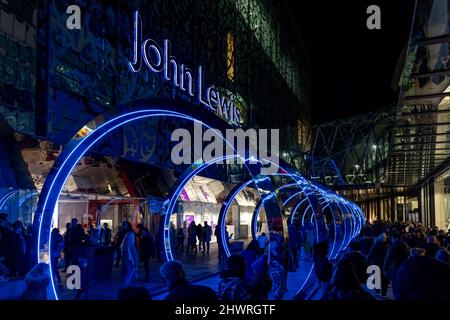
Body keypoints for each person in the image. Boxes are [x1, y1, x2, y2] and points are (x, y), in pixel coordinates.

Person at [367, 232, 389, 296]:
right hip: (384, 263)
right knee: (384, 278)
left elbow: (371, 254)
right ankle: (383, 292)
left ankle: (377, 290)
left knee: (377, 276)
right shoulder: (387, 245)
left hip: (377, 262)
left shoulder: (376, 245)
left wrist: (368, 261)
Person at [120, 221, 138, 287]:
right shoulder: (124, 232)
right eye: (123, 224)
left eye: (125, 224)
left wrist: (131, 256)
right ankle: (126, 283)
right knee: (128, 268)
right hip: (127, 252)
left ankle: (127, 283)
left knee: (129, 268)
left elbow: (130, 245)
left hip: (129, 252)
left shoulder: (130, 233)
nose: (124, 226)